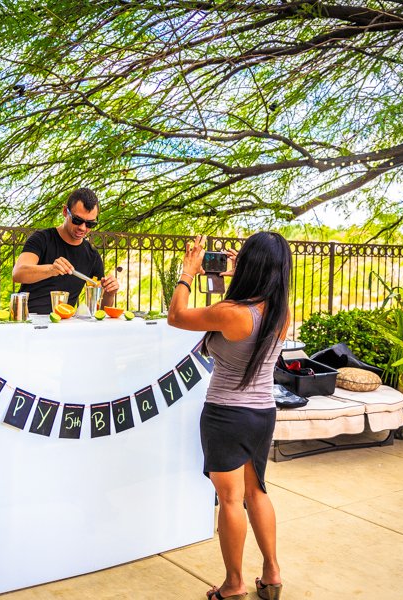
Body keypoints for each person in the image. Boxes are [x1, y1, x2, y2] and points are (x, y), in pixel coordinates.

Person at [168, 232, 290, 600]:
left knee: (232, 500)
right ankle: (272, 574)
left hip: (226, 414)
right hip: (262, 414)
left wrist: (188, 272)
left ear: (250, 264)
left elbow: (176, 316)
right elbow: (246, 312)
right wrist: (242, 278)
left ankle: (234, 584)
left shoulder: (232, 313)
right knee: (256, 492)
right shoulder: (281, 312)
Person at [12, 188, 119, 314]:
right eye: (77, 220)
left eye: (90, 224)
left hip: (64, 321)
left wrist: (110, 294)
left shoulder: (92, 256)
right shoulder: (42, 238)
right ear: (65, 211)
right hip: (29, 317)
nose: (82, 228)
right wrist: (51, 269)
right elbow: (18, 273)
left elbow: (101, 311)